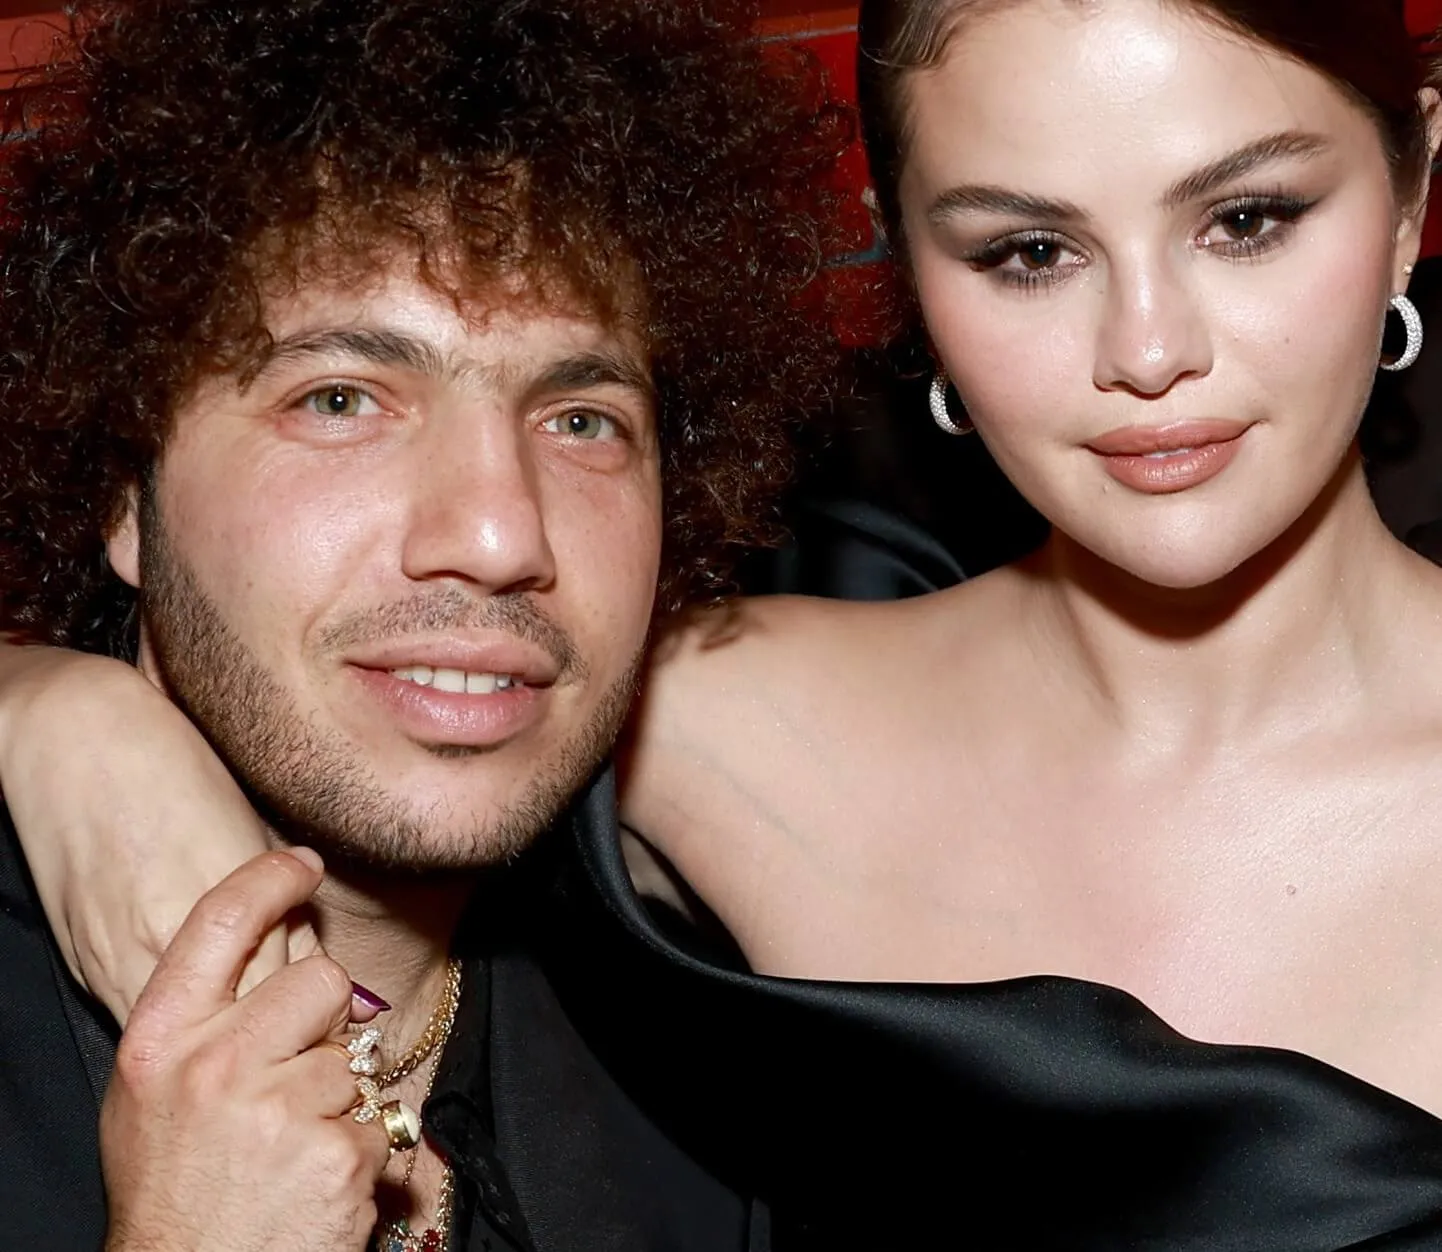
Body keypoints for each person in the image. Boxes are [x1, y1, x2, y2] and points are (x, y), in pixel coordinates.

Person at [12, 0, 1442, 1246]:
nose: (1147, 350)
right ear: (908, 267)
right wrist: (68, 719)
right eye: (1026, 250)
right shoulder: (699, 729)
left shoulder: (621, 939)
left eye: (1246, 220)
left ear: (1410, 186)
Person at [0, 0, 846, 1247]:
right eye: (341, 399)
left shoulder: (714, 1100)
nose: (500, 534)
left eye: (580, 421)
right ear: (126, 492)